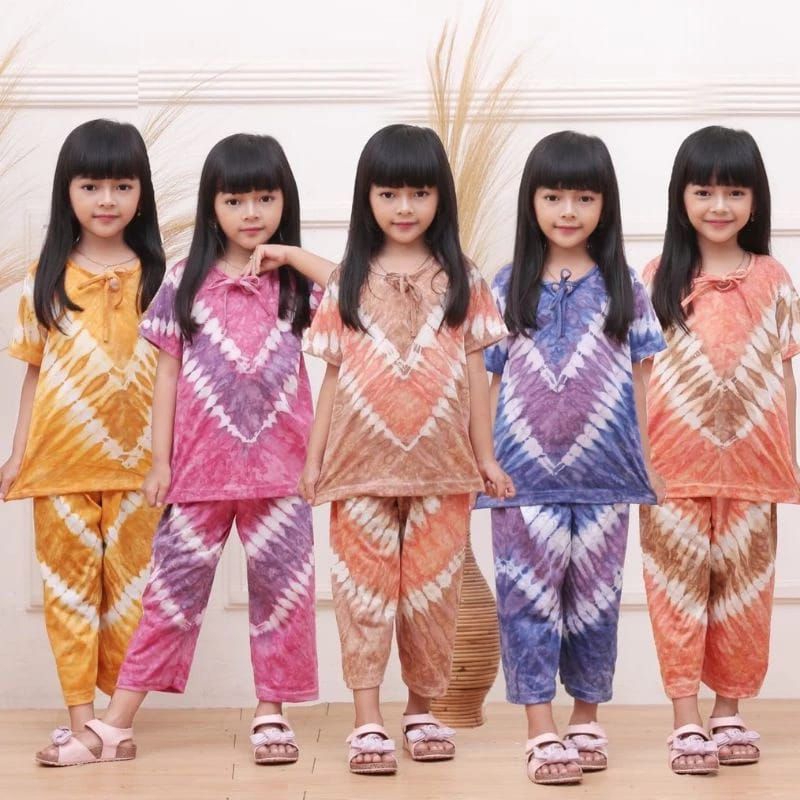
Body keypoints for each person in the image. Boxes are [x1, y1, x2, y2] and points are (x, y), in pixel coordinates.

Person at [34, 132, 333, 767]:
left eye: (265, 199)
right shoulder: (184, 281)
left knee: (282, 596)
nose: (251, 213)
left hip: (281, 475)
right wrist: (161, 462)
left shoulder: (294, 285)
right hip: (198, 475)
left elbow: (357, 297)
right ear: (211, 206)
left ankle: (272, 713)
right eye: (235, 200)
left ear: (285, 201)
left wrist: (290, 254)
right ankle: (116, 723)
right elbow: (166, 374)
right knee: (169, 600)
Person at [302, 123, 514, 775]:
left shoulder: (463, 280)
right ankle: (366, 719)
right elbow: (332, 377)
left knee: (432, 596)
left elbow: (476, 375)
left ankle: (422, 709)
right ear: (366, 197)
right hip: (358, 471)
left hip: (443, 472)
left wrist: (485, 457)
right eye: (388, 193)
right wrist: (313, 460)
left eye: (419, 193)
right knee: (363, 596)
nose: (404, 207)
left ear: (440, 197)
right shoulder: (347, 280)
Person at [479, 131, 666, 785]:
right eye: (553, 196)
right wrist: (483, 457)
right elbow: (489, 381)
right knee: (526, 601)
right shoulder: (506, 286)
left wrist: (646, 462)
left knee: (595, 603)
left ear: (605, 203)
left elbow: (642, 382)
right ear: (531, 202)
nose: (567, 211)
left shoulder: (626, 288)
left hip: (607, 479)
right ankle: (540, 728)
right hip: (520, 478)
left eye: (584, 197)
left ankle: (586, 718)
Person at [0, 119, 166, 749]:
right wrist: (17, 453)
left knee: (132, 597)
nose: (106, 200)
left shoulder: (163, 277)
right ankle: (79, 724)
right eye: (90, 186)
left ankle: (113, 727)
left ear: (141, 193)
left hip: (141, 469)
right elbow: (35, 373)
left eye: (122, 185)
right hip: (59, 465)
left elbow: (179, 375)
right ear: (66, 191)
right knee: (67, 593)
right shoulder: (43, 275)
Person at [641, 125, 800, 775]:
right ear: (681, 197)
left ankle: (728, 710)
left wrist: (788, 455)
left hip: (755, 470)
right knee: (676, 591)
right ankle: (686, 719)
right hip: (671, 469)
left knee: (745, 593)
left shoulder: (774, 278)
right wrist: (638, 461)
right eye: (703, 190)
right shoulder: (657, 277)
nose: (719, 205)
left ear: (755, 200)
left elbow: (784, 373)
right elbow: (640, 378)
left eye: (735, 191)